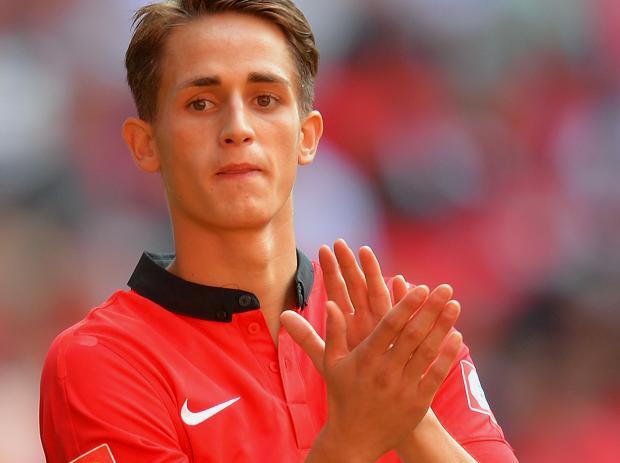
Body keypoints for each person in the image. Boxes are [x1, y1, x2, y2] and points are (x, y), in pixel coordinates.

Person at [39, 1, 519, 462]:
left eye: (265, 99)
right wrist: (353, 440)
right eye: (200, 103)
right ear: (145, 144)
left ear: (307, 136)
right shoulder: (100, 361)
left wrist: (410, 417)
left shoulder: (403, 330)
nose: (238, 127)